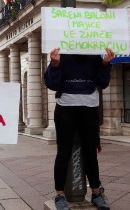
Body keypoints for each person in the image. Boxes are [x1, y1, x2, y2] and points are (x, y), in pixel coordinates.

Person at [44, 47, 114, 210]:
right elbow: (52, 84)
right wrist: (54, 65)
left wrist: (105, 64)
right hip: (65, 108)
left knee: (91, 152)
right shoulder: (61, 55)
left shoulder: (94, 54)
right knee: (63, 152)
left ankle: (96, 193)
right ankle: (59, 196)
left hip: (89, 108)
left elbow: (103, 83)